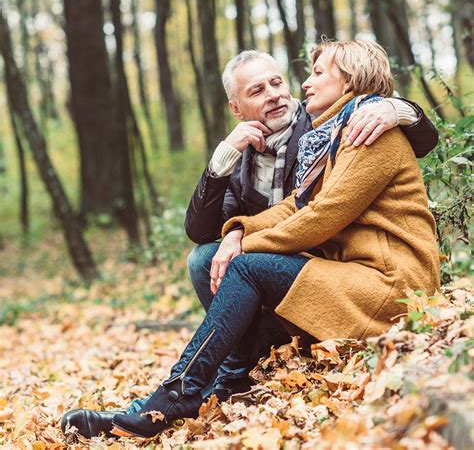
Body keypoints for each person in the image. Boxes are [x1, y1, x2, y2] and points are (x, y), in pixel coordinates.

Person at [61, 50, 439, 439]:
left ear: (348, 81)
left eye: (311, 75)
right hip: (351, 276)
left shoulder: (362, 127)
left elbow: (320, 216)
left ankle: (178, 396)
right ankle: (213, 383)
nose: (297, 86)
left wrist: (400, 108)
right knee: (206, 259)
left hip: (392, 285)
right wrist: (237, 230)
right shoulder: (329, 134)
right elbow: (293, 206)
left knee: (240, 265)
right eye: (258, 90)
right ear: (237, 107)